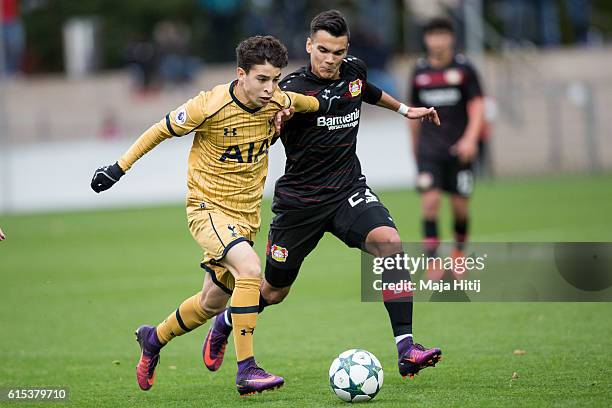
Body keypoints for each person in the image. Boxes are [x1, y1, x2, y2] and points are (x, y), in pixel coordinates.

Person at [203, 10, 443, 381]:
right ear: (309, 46)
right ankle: (225, 321)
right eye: (325, 51)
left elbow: (366, 91)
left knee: (390, 242)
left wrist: (405, 110)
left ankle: (406, 348)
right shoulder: (290, 91)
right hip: (300, 204)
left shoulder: (354, 71)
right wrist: (275, 123)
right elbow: (277, 116)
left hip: (348, 191)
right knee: (274, 290)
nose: (332, 59)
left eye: (339, 51)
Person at [90, 35, 322, 396]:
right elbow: (159, 130)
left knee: (211, 302)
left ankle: (154, 338)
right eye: (262, 79)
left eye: (276, 79)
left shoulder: (277, 99)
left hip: (246, 215)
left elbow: (311, 102)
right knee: (250, 270)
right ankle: (247, 370)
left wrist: (288, 112)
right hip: (207, 208)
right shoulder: (209, 105)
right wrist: (118, 168)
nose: (270, 88)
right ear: (240, 74)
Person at [408, 17, 484, 277]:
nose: (437, 40)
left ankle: (459, 254)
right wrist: (415, 151)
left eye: (442, 35)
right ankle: (432, 260)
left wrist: (471, 139)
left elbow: (477, 106)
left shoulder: (464, 69)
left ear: (451, 38)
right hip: (429, 151)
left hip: (459, 151)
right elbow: (413, 114)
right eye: (432, 35)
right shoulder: (419, 72)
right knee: (429, 202)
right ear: (426, 39)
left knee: (460, 207)